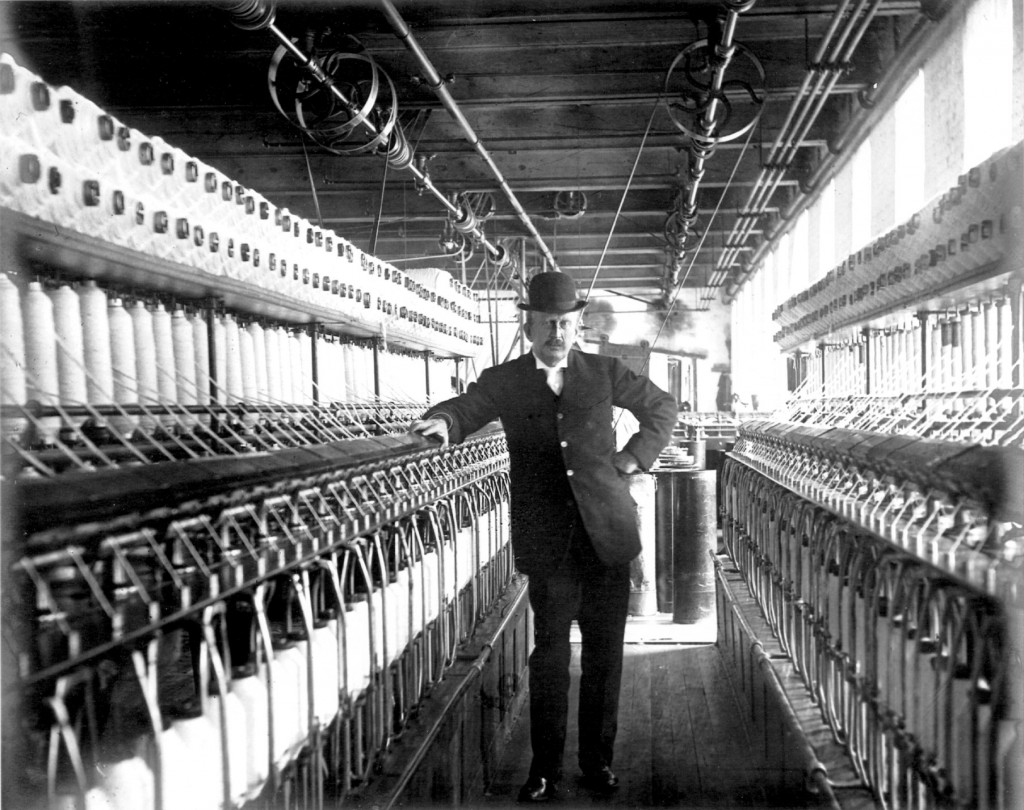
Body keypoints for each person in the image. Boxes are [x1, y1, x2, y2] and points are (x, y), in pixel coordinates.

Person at [410, 271, 676, 803]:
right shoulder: (505, 379)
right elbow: (469, 406)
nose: (557, 332)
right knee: (550, 656)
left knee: (605, 656)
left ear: (577, 324)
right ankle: (545, 771)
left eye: (566, 322)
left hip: (607, 536)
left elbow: (662, 408)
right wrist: (443, 420)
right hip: (549, 541)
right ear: (527, 324)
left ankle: (598, 764)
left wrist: (632, 458)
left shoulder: (604, 372)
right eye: (546, 322)